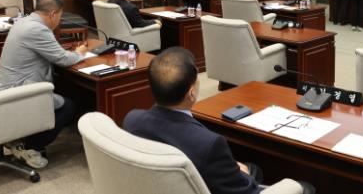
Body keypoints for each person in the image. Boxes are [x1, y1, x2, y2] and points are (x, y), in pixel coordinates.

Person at [124, 47, 314, 194]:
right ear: (191, 93)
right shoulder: (209, 145)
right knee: (305, 187)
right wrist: (239, 173)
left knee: (254, 168)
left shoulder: (132, 120)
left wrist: (230, 167)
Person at [0, 0, 87, 168]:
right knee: (68, 106)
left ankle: (19, 138)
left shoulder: (23, 22)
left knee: (62, 88)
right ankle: (30, 146)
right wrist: (80, 53)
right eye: (60, 17)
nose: (59, 21)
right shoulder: (38, 30)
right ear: (53, 14)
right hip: (19, 92)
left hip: (5, 88)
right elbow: (63, 59)